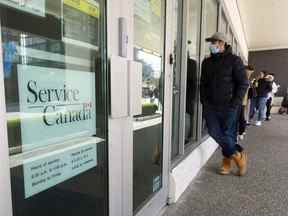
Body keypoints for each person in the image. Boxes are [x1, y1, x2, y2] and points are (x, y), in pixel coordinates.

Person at [200, 32, 249, 176]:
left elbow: (243, 83)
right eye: (211, 42)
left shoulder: (234, 60)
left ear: (222, 43)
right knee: (214, 132)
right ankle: (238, 155)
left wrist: (235, 104)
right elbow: (203, 84)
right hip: (211, 106)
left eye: (214, 42)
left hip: (229, 106)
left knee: (228, 134)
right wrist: (204, 100)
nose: (212, 45)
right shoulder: (206, 62)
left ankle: (226, 162)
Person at [238, 65, 254, 140]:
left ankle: (241, 132)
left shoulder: (245, 79)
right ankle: (241, 131)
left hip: (241, 101)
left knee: (240, 117)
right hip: (241, 101)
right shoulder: (247, 79)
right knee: (241, 116)